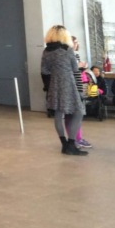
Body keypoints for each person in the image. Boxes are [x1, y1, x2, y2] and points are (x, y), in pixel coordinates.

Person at [40, 25, 86, 157]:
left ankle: (64, 144)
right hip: (68, 84)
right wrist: (80, 90)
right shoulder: (67, 49)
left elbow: (44, 71)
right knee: (79, 112)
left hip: (54, 85)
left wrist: (48, 88)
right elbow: (75, 70)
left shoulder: (46, 51)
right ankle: (71, 144)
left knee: (58, 114)